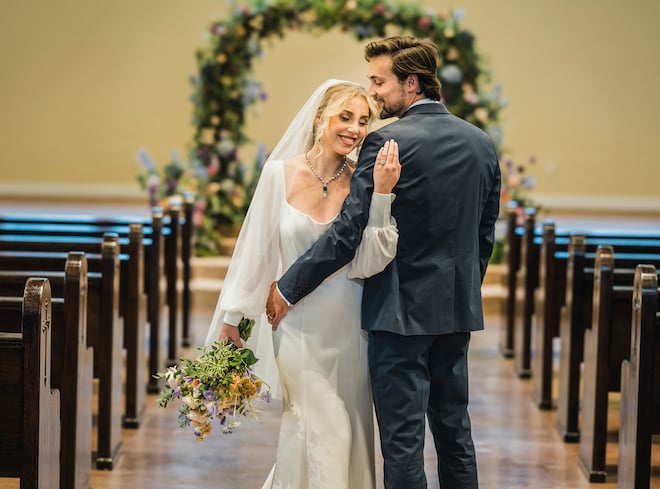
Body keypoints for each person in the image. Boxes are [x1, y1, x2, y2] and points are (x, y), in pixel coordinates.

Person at [267, 36, 501, 489]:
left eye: (379, 81)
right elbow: (483, 235)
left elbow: (347, 234)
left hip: (398, 316)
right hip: (455, 312)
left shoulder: (386, 142)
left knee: (403, 442)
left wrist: (287, 286)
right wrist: (461, 290)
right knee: (455, 433)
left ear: (410, 83)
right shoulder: (481, 143)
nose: (373, 93)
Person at [205, 79, 401, 489]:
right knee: (319, 424)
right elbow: (255, 252)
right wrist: (231, 319)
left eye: (363, 121)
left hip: (351, 325)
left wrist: (381, 195)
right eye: (344, 117)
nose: (354, 128)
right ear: (318, 119)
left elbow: (370, 258)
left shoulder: (362, 179)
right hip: (295, 326)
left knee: (348, 428)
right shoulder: (279, 175)